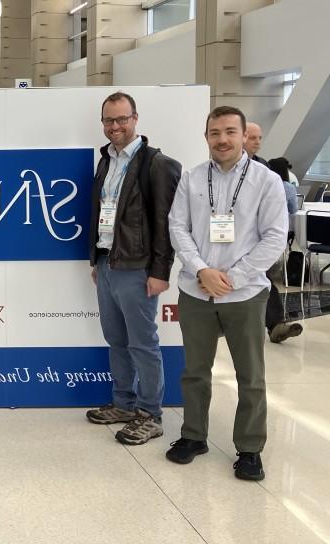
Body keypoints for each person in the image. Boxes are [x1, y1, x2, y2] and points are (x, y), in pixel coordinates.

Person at [166, 106, 287, 481]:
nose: (222, 139)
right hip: (196, 290)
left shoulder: (265, 181)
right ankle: (193, 436)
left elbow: (274, 237)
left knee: (250, 375)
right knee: (194, 372)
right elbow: (177, 227)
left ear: (242, 135)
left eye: (230, 132)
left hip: (245, 295)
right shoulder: (192, 178)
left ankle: (250, 449)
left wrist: (231, 277)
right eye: (215, 132)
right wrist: (202, 269)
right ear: (206, 137)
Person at [85, 92, 182, 445]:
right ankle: (123, 404)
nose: (115, 126)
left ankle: (150, 414)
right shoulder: (106, 160)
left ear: (135, 119)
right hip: (108, 264)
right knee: (117, 340)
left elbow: (165, 223)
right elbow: (101, 213)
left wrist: (160, 272)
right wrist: (97, 258)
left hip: (139, 269)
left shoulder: (157, 164)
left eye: (122, 119)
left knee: (142, 344)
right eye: (109, 120)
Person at [263, 157, 302, 343]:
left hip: (260, 240)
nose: (256, 142)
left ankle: (276, 324)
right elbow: (293, 210)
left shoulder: (262, 167)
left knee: (262, 279)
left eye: (258, 138)